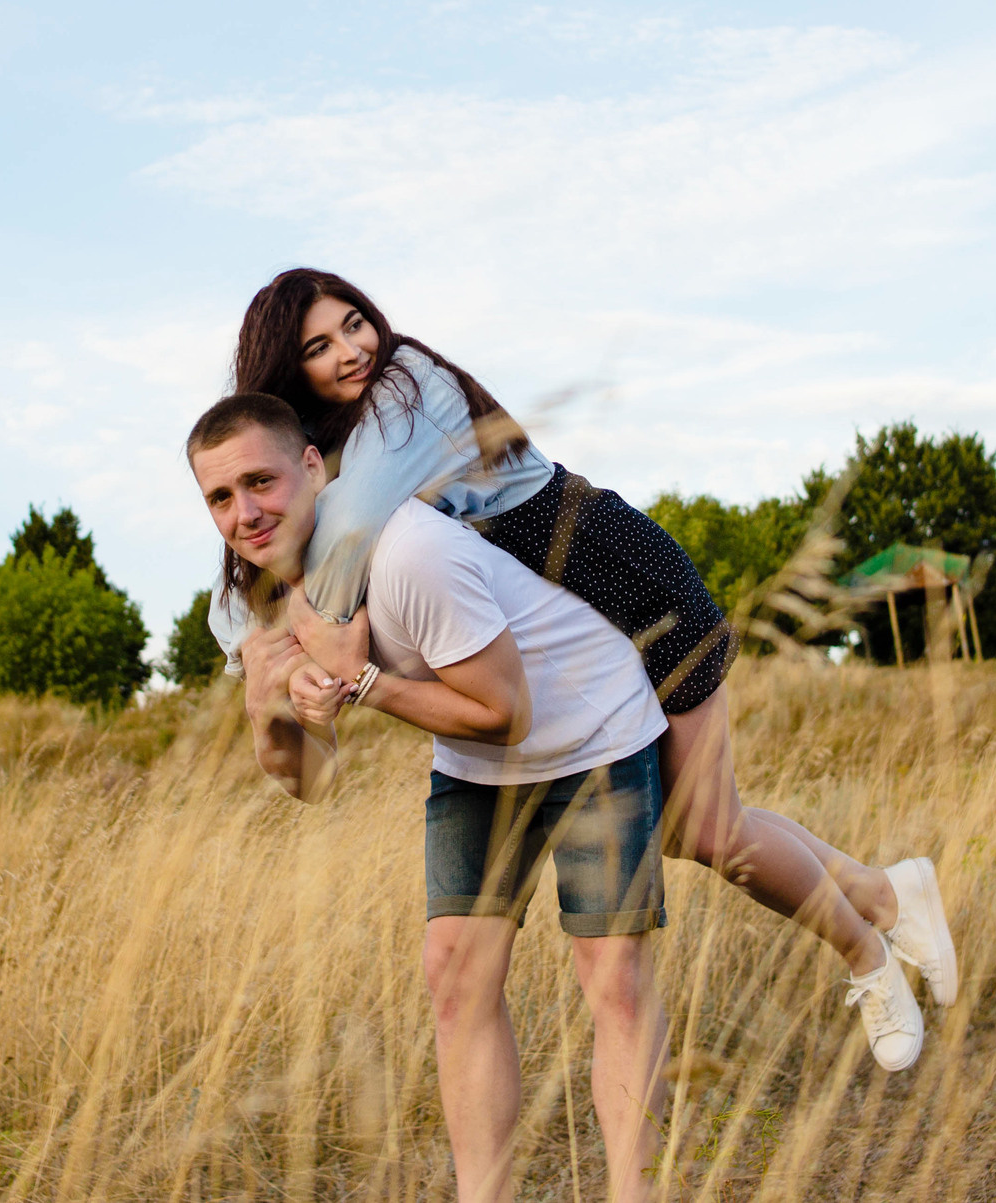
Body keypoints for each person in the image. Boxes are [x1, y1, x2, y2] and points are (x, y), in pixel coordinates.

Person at [206, 269, 954, 1067]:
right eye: (320, 346)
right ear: (288, 374)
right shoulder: (321, 447)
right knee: (692, 826)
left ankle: (869, 959)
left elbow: (344, 527)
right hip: (575, 629)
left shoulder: (406, 387)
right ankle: (888, 892)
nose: (354, 348)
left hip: (626, 583)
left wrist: (275, 629)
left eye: (356, 322)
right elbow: (258, 561)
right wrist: (248, 634)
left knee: (707, 827)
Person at [189, 390, 673, 1203]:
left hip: (591, 725)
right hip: (479, 758)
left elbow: (505, 713)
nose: (246, 513)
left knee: (613, 975)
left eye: (260, 482)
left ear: (313, 466)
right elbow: (309, 779)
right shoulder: (249, 604)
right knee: (454, 970)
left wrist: (362, 681)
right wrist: (263, 709)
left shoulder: (408, 552)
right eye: (220, 497)